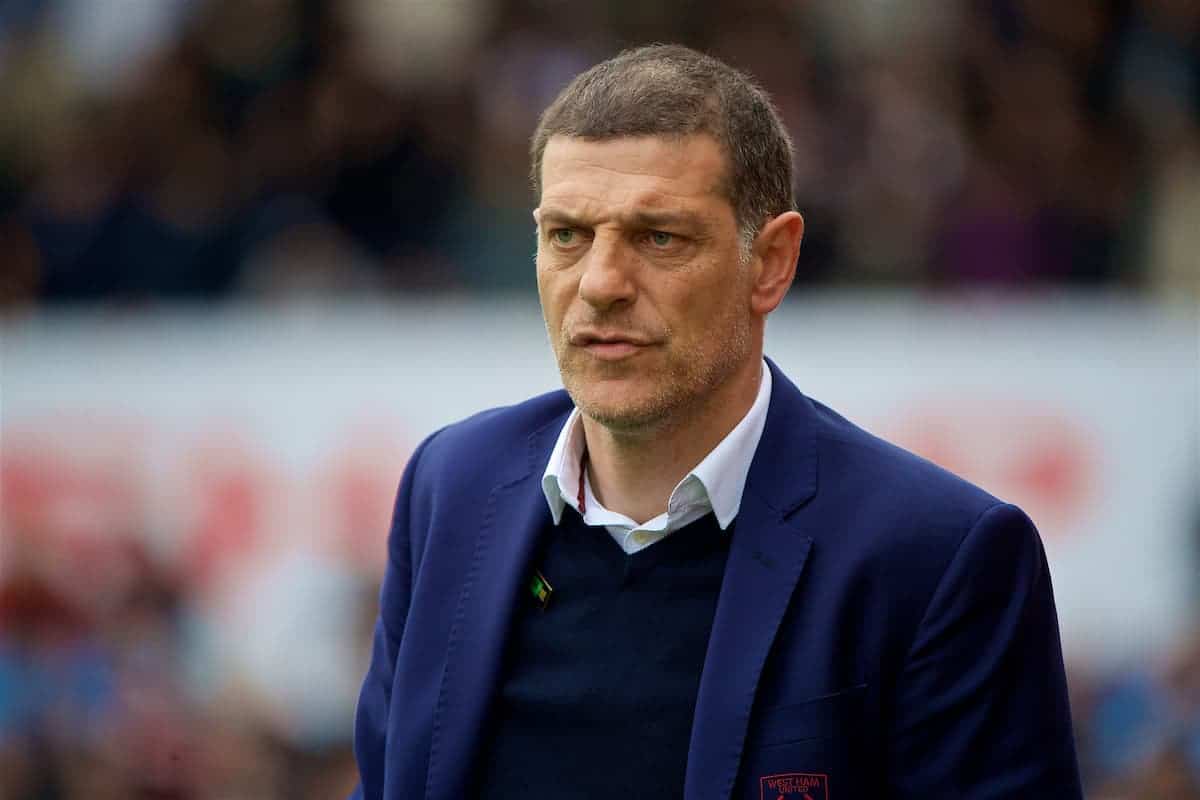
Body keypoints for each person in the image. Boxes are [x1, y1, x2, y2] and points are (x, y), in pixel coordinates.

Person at [350, 44, 1083, 799]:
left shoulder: (938, 556)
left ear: (771, 262)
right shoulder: (450, 487)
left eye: (658, 237)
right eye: (567, 234)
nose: (600, 284)